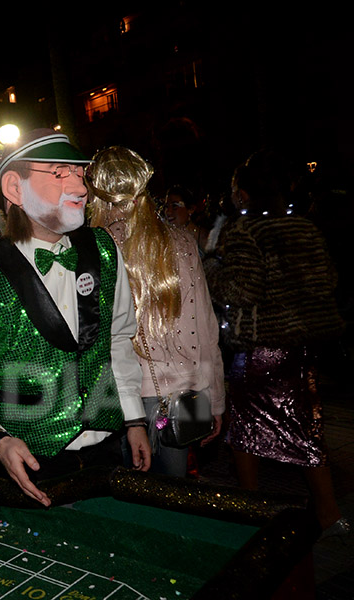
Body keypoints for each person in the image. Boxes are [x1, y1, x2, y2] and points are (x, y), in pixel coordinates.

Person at [0, 131, 149, 507]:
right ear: (15, 188)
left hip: (109, 451)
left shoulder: (104, 249)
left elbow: (118, 338)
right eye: (58, 174)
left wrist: (134, 419)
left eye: (79, 174)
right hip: (33, 463)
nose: (79, 188)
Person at [204, 150, 348, 534]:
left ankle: (253, 509)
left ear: (245, 193)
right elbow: (328, 281)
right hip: (301, 346)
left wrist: (211, 268)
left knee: (247, 429)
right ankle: (329, 513)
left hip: (261, 348)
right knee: (306, 426)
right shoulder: (303, 226)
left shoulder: (244, 229)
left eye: (236, 187)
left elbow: (241, 288)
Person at [87, 147, 224, 477]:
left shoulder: (88, 248)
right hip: (184, 393)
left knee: (125, 496)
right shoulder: (181, 241)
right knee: (174, 496)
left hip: (116, 397)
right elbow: (205, 329)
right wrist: (215, 401)